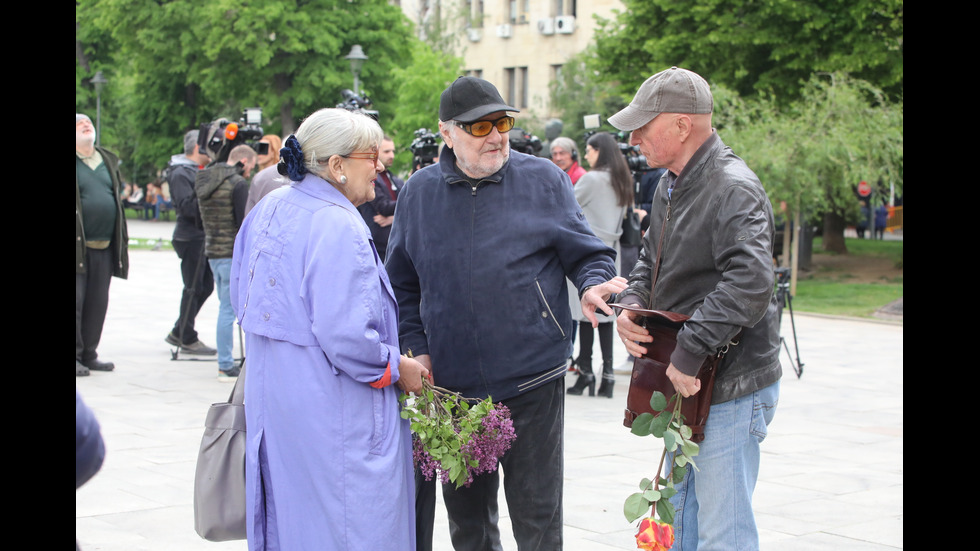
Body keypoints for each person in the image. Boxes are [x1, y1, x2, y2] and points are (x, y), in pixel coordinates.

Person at [385, 76, 627, 551]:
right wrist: (418, 351)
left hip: (532, 381)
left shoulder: (543, 179)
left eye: (504, 122)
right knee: (470, 529)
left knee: (538, 523)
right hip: (452, 394)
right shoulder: (418, 192)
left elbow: (586, 253)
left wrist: (593, 281)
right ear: (447, 132)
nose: (497, 135)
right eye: (481, 127)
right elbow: (401, 285)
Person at [230, 108, 428, 550]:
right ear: (337, 166)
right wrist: (397, 366)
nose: (380, 167)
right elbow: (349, 339)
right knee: (349, 527)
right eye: (371, 156)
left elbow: (238, 295)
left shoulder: (270, 206)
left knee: (296, 524)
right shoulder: (338, 223)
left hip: (279, 407)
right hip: (336, 414)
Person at [610, 66, 782, 551]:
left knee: (721, 536)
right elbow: (648, 260)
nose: (635, 136)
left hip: (729, 384)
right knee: (679, 525)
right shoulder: (670, 183)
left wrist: (689, 351)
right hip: (690, 381)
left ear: (682, 126)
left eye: (644, 125)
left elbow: (751, 281)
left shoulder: (733, 186)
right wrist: (632, 304)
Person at [566, 132, 634, 398]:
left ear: (598, 151)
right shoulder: (622, 178)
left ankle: (586, 374)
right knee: (605, 313)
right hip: (612, 251)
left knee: (585, 312)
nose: (585, 155)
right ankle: (606, 375)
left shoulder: (592, 179)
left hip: (588, 252)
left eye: (589, 150)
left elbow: (567, 205)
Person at [196, 144, 257, 380]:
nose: (250, 171)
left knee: (224, 307)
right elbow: (243, 222)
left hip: (212, 249)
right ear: (243, 160)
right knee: (228, 309)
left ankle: (224, 360)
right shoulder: (236, 183)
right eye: (250, 165)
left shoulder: (205, 178)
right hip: (231, 251)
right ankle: (225, 363)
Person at [76, 113, 129, 376]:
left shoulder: (106, 159)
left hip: (105, 245)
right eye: (79, 124)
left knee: (98, 302)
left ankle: (89, 354)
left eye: (89, 123)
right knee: (76, 302)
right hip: (78, 248)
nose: (86, 126)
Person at [163, 130, 217, 356]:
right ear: (198, 148)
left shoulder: (194, 170)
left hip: (200, 236)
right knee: (194, 287)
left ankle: (180, 329)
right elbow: (187, 208)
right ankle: (185, 335)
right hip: (190, 236)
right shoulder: (180, 172)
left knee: (205, 286)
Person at [357, 135, 402, 262]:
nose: (392, 155)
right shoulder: (371, 178)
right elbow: (383, 207)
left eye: (393, 151)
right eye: (387, 152)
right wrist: (403, 206)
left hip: (396, 242)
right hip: (379, 247)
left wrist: (394, 218)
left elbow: (411, 207)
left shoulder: (393, 178)